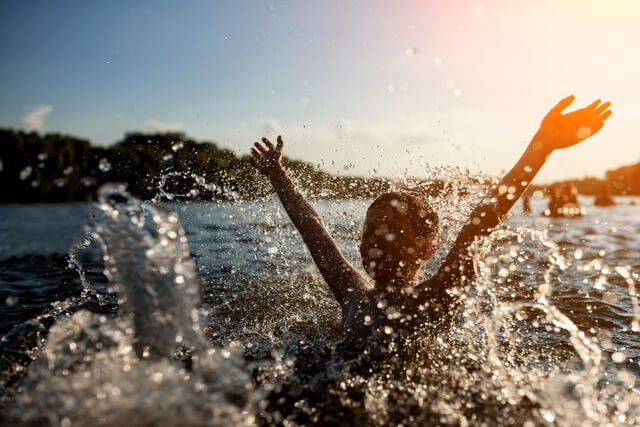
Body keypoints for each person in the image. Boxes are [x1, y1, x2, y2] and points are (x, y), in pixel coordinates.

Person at [249, 96, 612, 345]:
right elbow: (312, 228)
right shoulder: (352, 294)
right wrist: (278, 175)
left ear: (427, 248)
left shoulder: (435, 298)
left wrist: (541, 145)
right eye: (369, 231)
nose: (372, 240)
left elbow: (480, 223)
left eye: (389, 231)